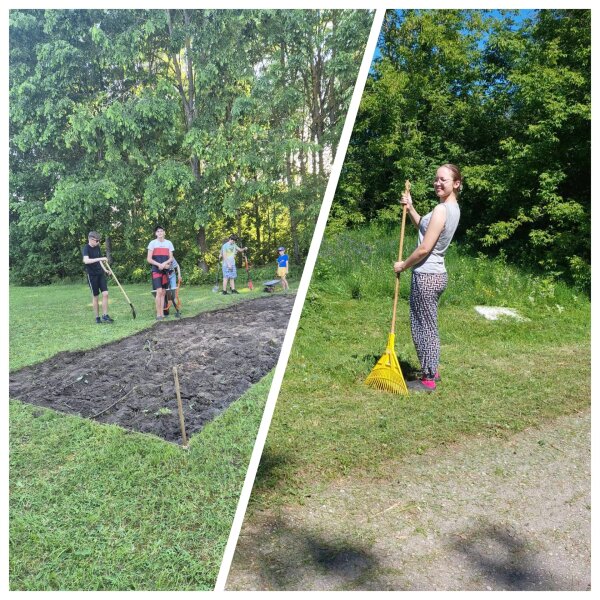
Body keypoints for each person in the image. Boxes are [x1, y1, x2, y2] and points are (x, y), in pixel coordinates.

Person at [393, 164, 461, 392]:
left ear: (456, 184)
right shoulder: (452, 208)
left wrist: (403, 265)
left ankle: (429, 378)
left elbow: (424, 248)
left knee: (424, 327)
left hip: (426, 276)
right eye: (436, 179)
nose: (438, 183)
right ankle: (432, 368)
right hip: (437, 274)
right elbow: (425, 227)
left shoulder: (441, 210)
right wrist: (411, 208)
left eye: (443, 180)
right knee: (426, 323)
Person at [82, 231, 113, 324]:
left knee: (105, 294)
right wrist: (101, 258)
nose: (98, 242)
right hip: (92, 275)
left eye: (99, 240)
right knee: (95, 296)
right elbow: (86, 261)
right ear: (91, 239)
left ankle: (105, 315)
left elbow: (100, 261)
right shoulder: (86, 248)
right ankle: (97, 317)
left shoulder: (97, 247)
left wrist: (105, 270)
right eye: (97, 240)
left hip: (100, 274)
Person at [147, 225, 174, 320]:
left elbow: (171, 258)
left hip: (165, 270)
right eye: (158, 231)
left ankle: (162, 313)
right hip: (156, 270)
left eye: (161, 231)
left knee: (163, 292)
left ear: (164, 232)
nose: (160, 233)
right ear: (156, 233)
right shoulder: (152, 243)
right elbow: (149, 259)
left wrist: (165, 264)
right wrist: (159, 264)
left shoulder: (169, 243)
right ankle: (158, 314)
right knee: (158, 292)